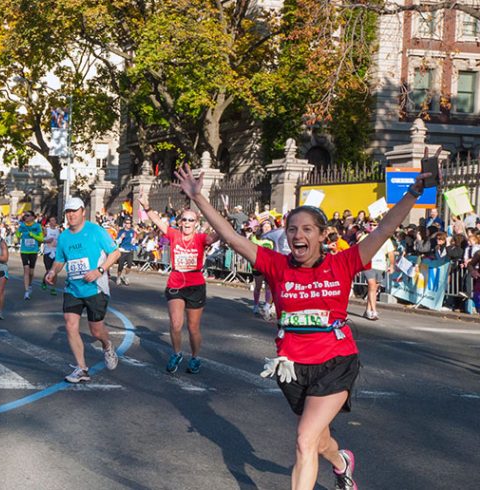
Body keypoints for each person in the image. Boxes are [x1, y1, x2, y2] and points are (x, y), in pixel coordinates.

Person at [175, 166, 431, 490]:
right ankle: (342, 463)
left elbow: (382, 231)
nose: (298, 235)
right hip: (293, 367)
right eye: (293, 229)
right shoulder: (275, 265)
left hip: (336, 361)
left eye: (307, 229)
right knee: (319, 440)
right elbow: (231, 237)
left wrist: (412, 193)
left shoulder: (343, 263)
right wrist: (199, 198)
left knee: (304, 439)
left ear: (323, 235)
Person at [139, 193, 219, 375]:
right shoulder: (174, 234)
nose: (188, 223)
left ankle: (195, 356)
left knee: (193, 328)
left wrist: (221, 218)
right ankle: (176, 353)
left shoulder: (200, 239)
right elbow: (158, 221)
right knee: (176, 324)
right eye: (185, 219)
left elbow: (219, 234)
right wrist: (146, 206)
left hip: (195, 284)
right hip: (176, 283)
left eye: (191, 220)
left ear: (196, 223)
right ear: (180, 222)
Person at [44, 197, 120, 383]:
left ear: (82, 212)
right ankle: (82, 369)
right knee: (70, 324)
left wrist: (99, 270)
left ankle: (107, 346)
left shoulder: (95, 230)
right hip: (73, 288)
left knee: (96, 331)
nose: (71, 215)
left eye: (74, 211)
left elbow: (115, 253)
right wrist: (53, 271)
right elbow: (60, 259)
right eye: (68, 212)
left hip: (95, 287)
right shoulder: (64, 237)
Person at [251, 220, 276, 319]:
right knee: (258, 286)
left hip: (269, 266)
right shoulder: (255, 238)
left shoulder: (273, 239)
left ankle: (267, 306)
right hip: (258, 265)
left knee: (269, 287)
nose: (267, 228)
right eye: (265, 226)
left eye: (268, 227)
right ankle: (256, 305)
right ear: (261, 227)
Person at [17, 211, 44, 300]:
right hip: (24, 251)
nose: (26, 217)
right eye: (25, 216)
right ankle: (26, 291)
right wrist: (18, 236)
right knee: (26, 270)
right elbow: (17, 233)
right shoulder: (22, 225)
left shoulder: (37, 226)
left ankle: (30, 284)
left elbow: (41, 238)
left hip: (33, 251)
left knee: (31, 272)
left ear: (33, 217)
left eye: (28, 215)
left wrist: (33, 235)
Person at [40, 215, 60, 295]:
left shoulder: (58, 231)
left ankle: (53, 288)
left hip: (55, 253)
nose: (53, 222)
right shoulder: (46, 230)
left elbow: (60, 241)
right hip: (47, 253)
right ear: (49, 222)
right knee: (48, 271)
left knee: (54, 271)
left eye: (54, 220)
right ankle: (44, 282)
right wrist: (47, 240)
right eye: (51, 220)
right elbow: (41, 240)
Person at [115, 220, 139, 285]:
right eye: (127, 223)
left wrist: (134, 241)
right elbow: (117, 241)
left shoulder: (132, 231)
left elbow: (133, 240)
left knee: (129, 265)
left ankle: (126, 276)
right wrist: (121, 237)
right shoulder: (121, 231)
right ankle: (118, 277)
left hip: (130, 250)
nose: (129, 224)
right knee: (120, 266)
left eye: (130, 223)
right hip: (122, 250)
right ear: (125, 224)